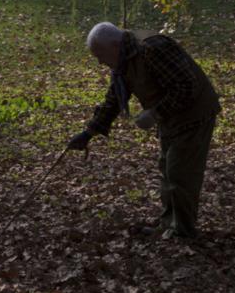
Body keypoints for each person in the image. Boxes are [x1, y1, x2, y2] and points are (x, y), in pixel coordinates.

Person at [68, 22, 221, 239]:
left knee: (180, 175)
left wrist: (155, 113)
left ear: (114, 45)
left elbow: (187, 86)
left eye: (100, 55)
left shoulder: (152, 49)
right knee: (168, 172)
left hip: (194, 114)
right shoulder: (123, 61)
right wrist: (89, 133)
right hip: (171, 118)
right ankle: (169, 226)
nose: (101, 62)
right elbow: (113, 100)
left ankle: (182, 233)